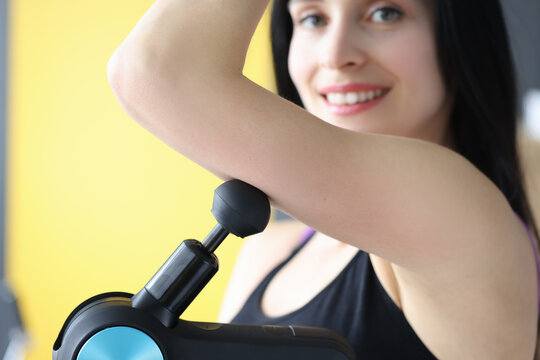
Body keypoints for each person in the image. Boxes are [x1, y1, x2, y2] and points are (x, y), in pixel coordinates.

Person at [107, 0, 540, 357]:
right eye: (312, 18)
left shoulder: (459, 217)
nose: (336, 54)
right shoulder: (267, 251)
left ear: (457, 37)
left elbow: (156, 68)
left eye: (385, 13)